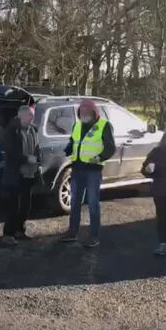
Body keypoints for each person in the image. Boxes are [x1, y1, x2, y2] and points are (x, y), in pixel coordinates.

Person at [61, 99, 115, 247]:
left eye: (86, 112)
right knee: (74, 202)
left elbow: (111, 148)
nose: (83, 114)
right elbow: (73, 142)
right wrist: (67, 149)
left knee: (92, 203)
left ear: (94, 112)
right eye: (81, 112)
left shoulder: (104, 125)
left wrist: (100, 157)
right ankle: (73, 231)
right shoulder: (77, 125)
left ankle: (94, 235)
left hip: (93, 170)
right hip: (77, 169)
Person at [1, 105, 40, 245]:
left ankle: (20, 230)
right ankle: (8, 234)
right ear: (22, 116)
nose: (32, 118)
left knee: (26, 205)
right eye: (30, 115)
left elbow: (36, 147)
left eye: (33, 115)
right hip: (15, 174)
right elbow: (10, 153)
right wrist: (26, 159)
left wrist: (37, 158)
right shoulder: (12, 130)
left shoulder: (33, 129)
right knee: (13, 206)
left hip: (29, 174)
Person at [142, 125, 166, 257]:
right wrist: (148, 169)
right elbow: (144, 168)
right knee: (162, 219)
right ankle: (163, 244)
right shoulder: (156, 152)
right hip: (161, 192)